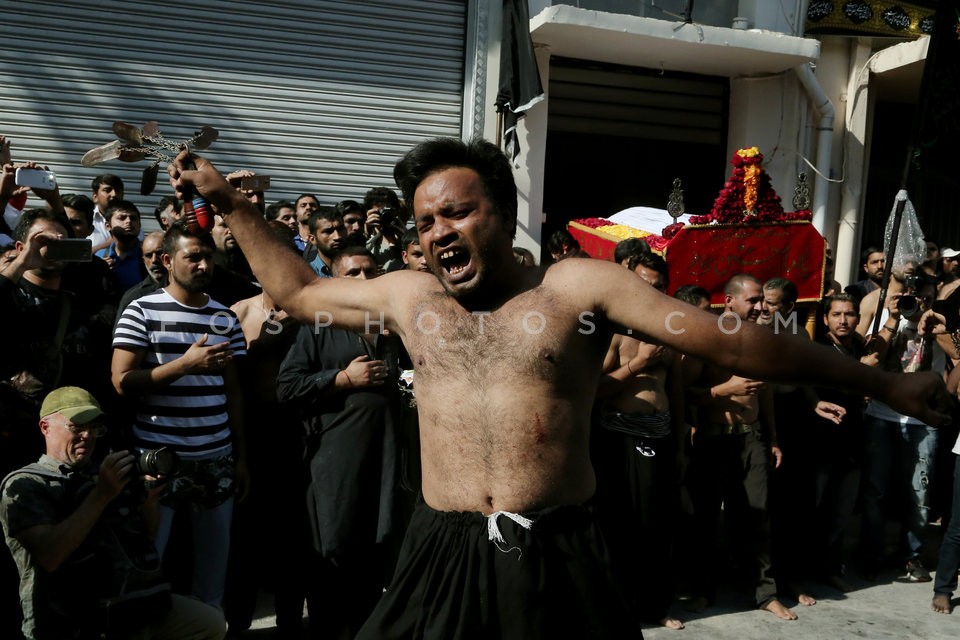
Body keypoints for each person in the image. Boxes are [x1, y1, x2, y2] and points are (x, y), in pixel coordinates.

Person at [166, 138, 948, 639]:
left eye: (458, 212)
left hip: (560, 550)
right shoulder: (409, 297)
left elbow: (728, 338)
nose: (439, 232)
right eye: (427, 220)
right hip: (441, 549)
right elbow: (300, 294)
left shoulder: (575, 287)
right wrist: (232, 206)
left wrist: (882, 379)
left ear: (501, 214)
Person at [0, 386, 226, 640]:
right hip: (73, 619)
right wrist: (101, 495)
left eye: (94, 428)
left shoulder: (103, 474)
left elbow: (144, 541)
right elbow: (50, 555)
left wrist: (149, 501)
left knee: (209, 623)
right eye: (77, 427)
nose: (87, 436)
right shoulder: (27, 484)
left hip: (131, 604)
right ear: (45, 427)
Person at [111, 223, 249, 608]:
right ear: (168, 261)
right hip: (159, 459)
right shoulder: (141, 309)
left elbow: (233, 391)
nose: (204, 265)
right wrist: (185, 365)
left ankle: (209, 628)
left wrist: (241, 458)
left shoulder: (225, 316)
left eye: (208, 257)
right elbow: (121, 381)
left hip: (216, 457)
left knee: (213, 569)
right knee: (147, 562)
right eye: (193, 257)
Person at [277, 246, 406, 639]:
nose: (364, 281)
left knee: (376, 559)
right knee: (332, 564)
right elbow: (286, 387)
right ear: (334, 279)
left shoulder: (397, 329)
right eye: (353, 274)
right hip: (337, 470)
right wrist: (342, 379)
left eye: (370, 272)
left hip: (387, 467)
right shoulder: (318, 327)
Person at [683, 274, 792, 619]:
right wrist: (721, 391)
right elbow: (684, 393)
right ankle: (702, 590)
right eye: (754, 300)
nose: (761, 307)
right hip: (715, 438)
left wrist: (772, 437)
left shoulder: (761, 338)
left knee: (757, 519)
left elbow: (767, 393)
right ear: (729, 301)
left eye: (762, 300)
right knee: (707, 520)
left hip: (752, 439)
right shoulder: (709, 337)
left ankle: (764, 593)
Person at [592, 250, 685, 630]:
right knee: (621, 523)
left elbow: (675, 393)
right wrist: (638, 364)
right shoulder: (610, 332)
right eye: (645, 285)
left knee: (657, 525)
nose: (653, 293)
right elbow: (593, 389)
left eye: (660, 287)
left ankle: (654, 606)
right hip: (618, 438)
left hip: (660, 436)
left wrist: (679, 447)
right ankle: (621, 607)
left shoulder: (668, 330)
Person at [858, 272, 943, 582]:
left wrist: (935, 325)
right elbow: (870, 357)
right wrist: (893, 318)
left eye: (927, 298)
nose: (918, 302)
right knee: (874, 491)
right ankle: (871, 553)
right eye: (914, 295)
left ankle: (912, 556)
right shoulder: (887, 315)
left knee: (919, 494)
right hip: (882, 414)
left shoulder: (942, 321)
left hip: (922, 421)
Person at [96, 199, 144, 291]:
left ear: (139, 224)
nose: (128, 221)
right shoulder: (100, 257)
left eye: (133, 218)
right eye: (122, 218)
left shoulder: (149, 255)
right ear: (108, 226)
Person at [87, 174, 125, 255]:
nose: (114, 194)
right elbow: (77, 254)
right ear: (95, 196)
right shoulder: (86, 220)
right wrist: (109, 243)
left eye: (118, 190)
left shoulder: (131, 221)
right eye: (107, 190)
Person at [304, 206, 346, 278]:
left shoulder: (360, 268)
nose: (337, 236)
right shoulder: (306, 275)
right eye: (328, 231)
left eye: (340, 229)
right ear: (312, 239)